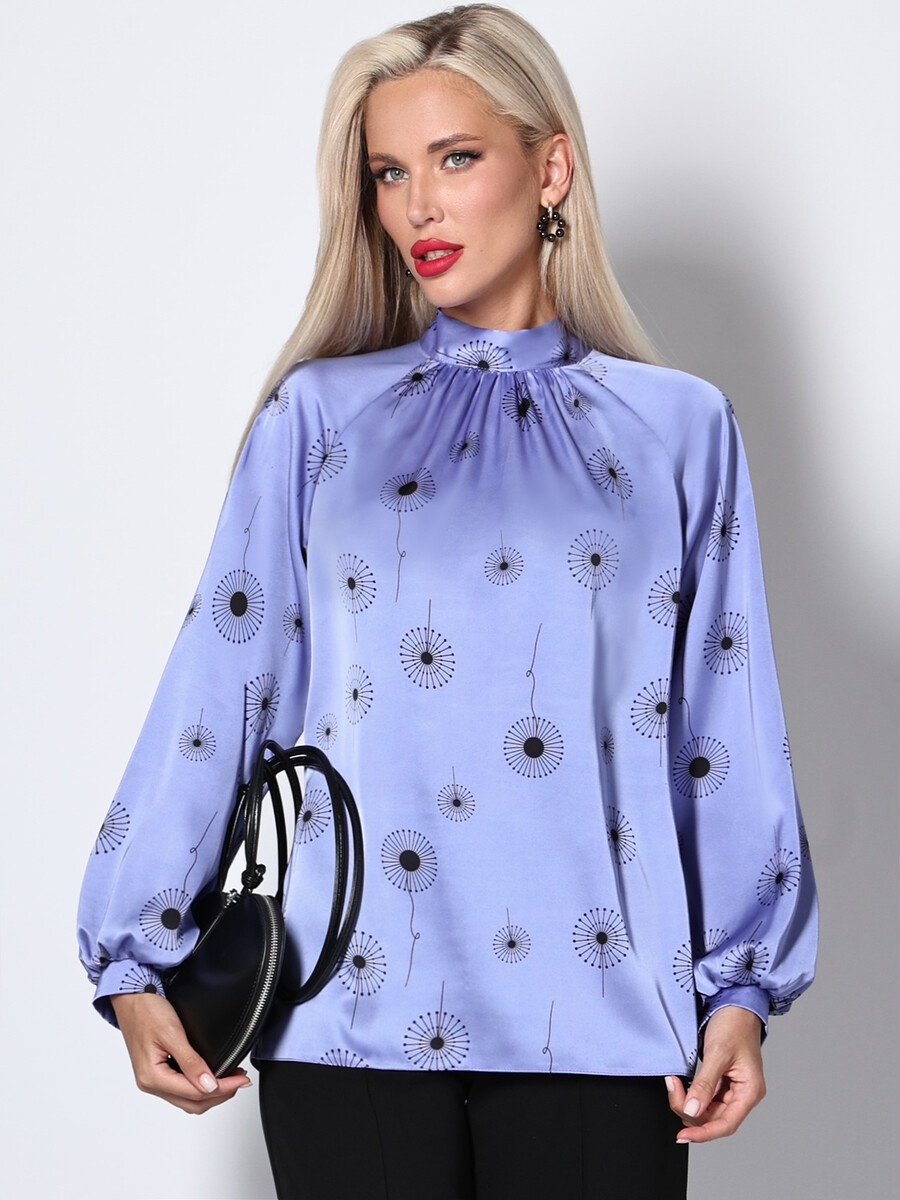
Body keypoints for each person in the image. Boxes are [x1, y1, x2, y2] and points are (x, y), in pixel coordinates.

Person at [76, 5, 818, 1198]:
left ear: (550, 168)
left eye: (455, 158)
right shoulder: (318, 420)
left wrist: (741, 987)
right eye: (389, 173)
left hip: (604, 1022)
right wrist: (132, 955)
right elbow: (221, 686)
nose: (418, 206)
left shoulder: (680, 431)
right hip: (348, 1018)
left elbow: (719, 727)